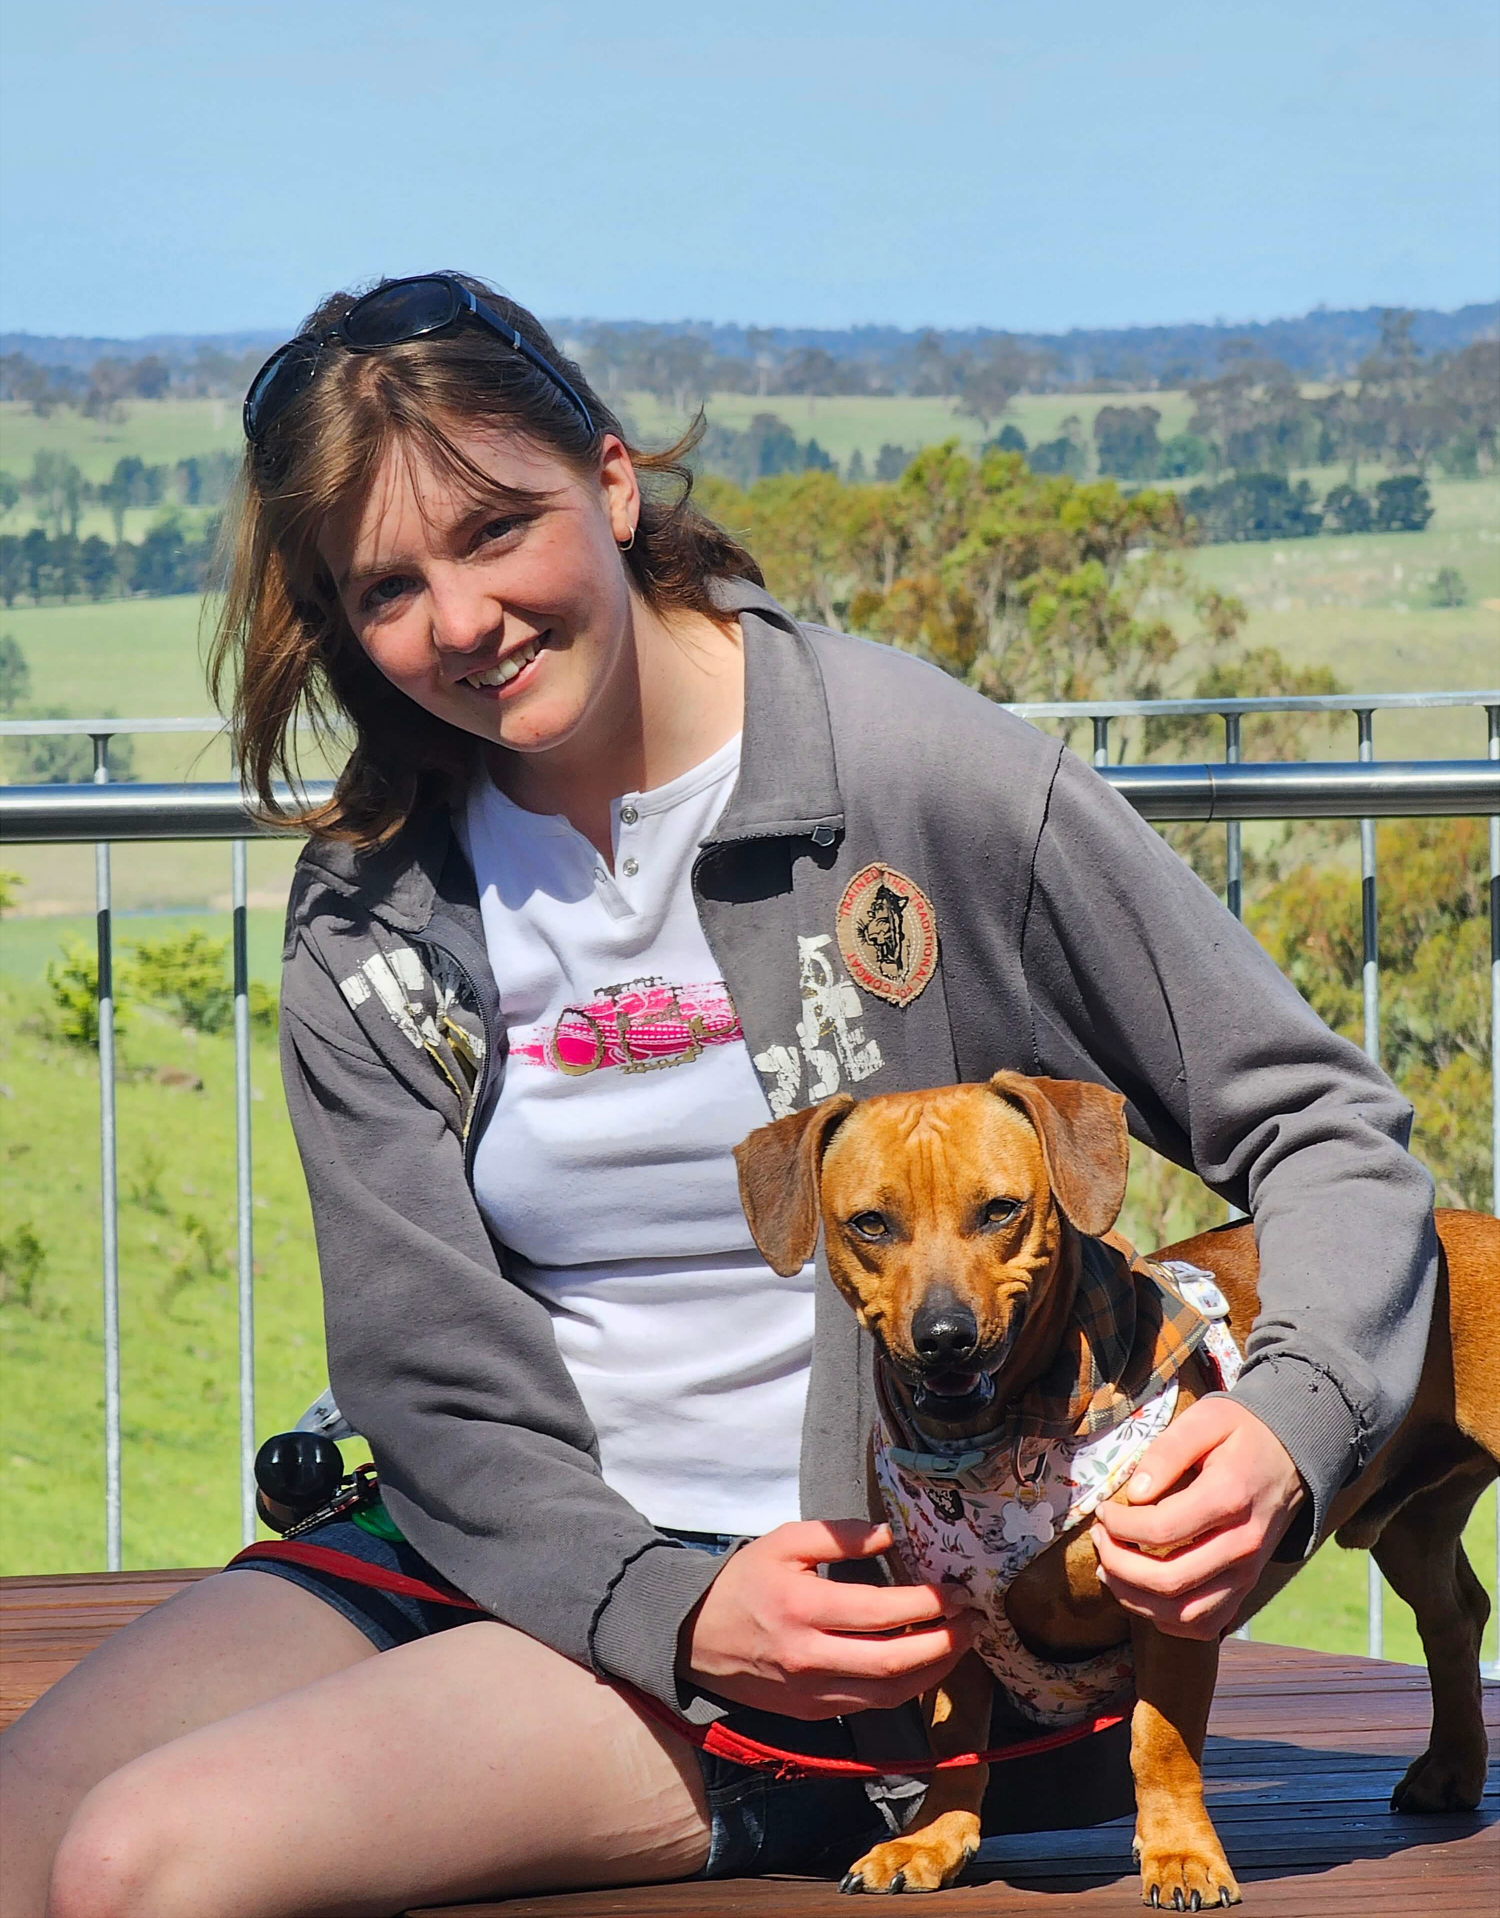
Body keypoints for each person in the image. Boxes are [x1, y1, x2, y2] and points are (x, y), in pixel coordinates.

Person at [0, 272, 1437, 1918]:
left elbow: (1321, 1123)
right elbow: (422, 1361)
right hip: (511, 1552)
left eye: (493, 532)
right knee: (22, 1834)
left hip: (866, 1626)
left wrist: (1292, 1425)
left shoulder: (921, 772)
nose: (460, 623)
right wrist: (647, 1599)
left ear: (612, 483)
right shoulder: (376, 898)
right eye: (386, 586)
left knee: (139, 1867)